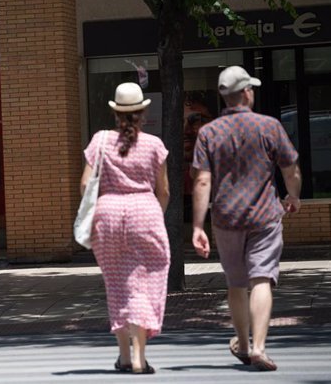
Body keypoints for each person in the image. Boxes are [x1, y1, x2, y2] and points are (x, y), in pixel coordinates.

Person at [191, 65, 302, 372]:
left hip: (226, 218)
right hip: (265, 216)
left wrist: (198, 225)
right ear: (246, 92)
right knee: (262, 277)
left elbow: (202, 181)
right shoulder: (269, 126)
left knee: (236, 282)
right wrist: (292, 196)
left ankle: (242, 342)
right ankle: (260, 347)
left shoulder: (208, 133)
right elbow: (290, 168)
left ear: (223, 95)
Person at [80, 82, 170, 374]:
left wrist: (95, 211)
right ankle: (139, 356)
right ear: (143, 112)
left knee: (117, 284)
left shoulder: (101, 141)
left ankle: (123, 355)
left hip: (108, 214)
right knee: (145, 284)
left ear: (116, 113)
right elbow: (164, 191)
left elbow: (84, 184)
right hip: (145, 212)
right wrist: (155, 214)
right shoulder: (154, 145)